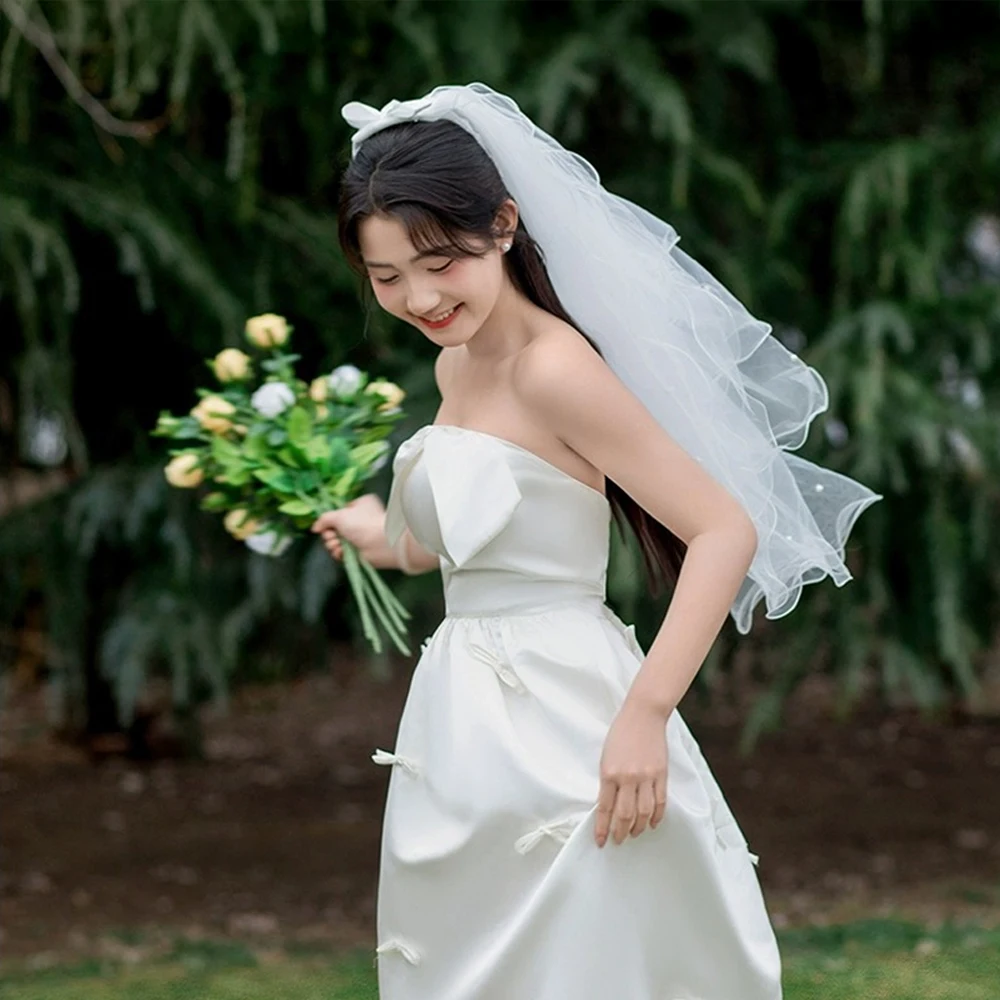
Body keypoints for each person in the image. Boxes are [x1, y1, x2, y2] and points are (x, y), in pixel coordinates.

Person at [312, 84, 880, 1000]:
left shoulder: (555, 370)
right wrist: (383, 536)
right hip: (462, 720)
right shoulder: (456, 362)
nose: (419, 297)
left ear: (503, 225)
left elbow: (722, 529)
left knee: (587, 956)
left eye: (440, 262)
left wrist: (646, 716)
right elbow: (476, 543)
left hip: (566, 705)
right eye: (386, 278)